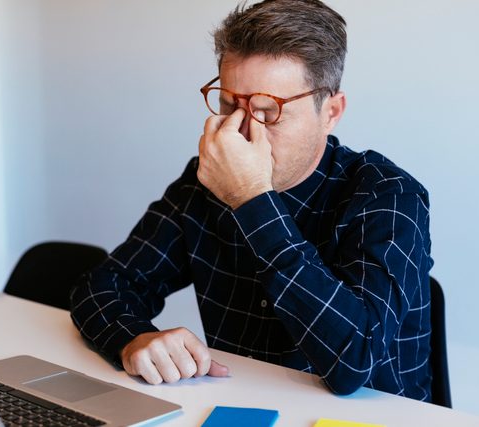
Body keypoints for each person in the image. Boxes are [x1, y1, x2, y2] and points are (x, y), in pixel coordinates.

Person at [71, 0, 434, 402]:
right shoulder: (206, 180)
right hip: (241, 407)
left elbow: (355, 362)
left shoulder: (388, 195)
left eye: (269, 111)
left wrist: (252, 199)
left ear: (330, 112)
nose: (242, 131)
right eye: (229, 105)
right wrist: (132, 338)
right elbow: (106, 285)